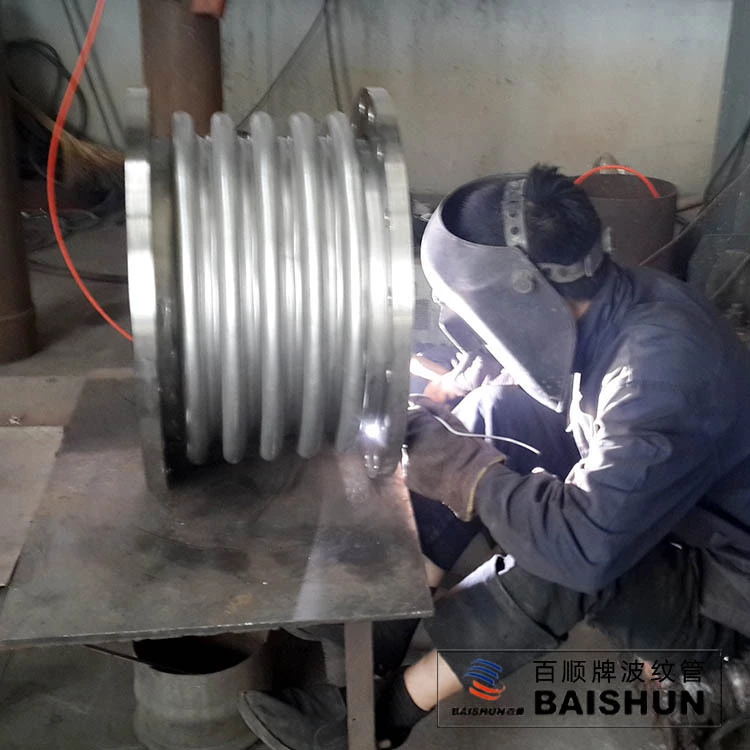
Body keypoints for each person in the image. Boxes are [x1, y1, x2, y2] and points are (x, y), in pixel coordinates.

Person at [238, 165, 750, 749]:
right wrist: (461, 400)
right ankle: (379, 630)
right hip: (683, 508)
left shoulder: (658, 372)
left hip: (725, 595)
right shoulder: (618, 299)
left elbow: (584, 547)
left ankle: (373, 720)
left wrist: (463, 470)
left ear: (521, 296)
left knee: (560, 555)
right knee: (492, 412)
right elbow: (542, 382)